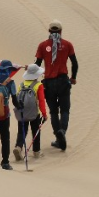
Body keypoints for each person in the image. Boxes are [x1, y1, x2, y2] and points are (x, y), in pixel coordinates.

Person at [34, 20, 78, 151]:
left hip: (49, 83)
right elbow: (75, 63)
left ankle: (58, 137)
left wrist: (31, 74)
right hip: (63, 81)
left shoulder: (42, 45)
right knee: (65, 110)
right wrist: (73, 78)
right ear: (61, 31)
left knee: (53, 112)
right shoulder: (67, 44)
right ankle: (62, 132)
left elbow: (37, 64)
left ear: (49, 31)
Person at [13, 63, 48, 162]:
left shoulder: (21, 84)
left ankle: (18, 147)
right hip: (34, 113)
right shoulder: (38, 85)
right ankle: (36, 151)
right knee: (35, 131)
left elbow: (17, 97)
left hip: (22, 112)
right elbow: (41, 101)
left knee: (22, 131)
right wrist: (44, 114)